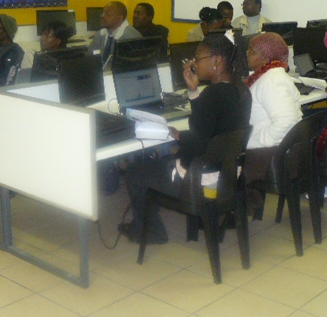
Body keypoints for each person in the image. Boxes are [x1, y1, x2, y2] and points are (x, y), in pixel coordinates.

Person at [121, 32, 252, 244]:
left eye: (198, 58)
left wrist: (178, 135)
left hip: (200, 179)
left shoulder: (213, 95)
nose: (194, 64)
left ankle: (151, 232)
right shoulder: (240, 89)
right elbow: (210, 127)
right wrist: (193, 90)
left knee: (135, 171)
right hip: (227, 175)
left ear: (217, 60)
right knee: (161, 163)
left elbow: (197, 143)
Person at [244, 32, 303, 216]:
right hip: (285, 149)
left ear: (265, 58)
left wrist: (257, 141)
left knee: (224, 159)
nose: (247, 53)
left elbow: (287, 122)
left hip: (273, 153)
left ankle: (232, 213)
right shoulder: (271, 75)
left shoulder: (271, 81)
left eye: (251, 51)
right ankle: (250, 205)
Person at [88, 1, 142, 66]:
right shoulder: (100, 35)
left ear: (120, 18)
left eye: (107, 14)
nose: (102, 16)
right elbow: (91, 54)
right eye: (103, 12)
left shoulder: (132, 38)